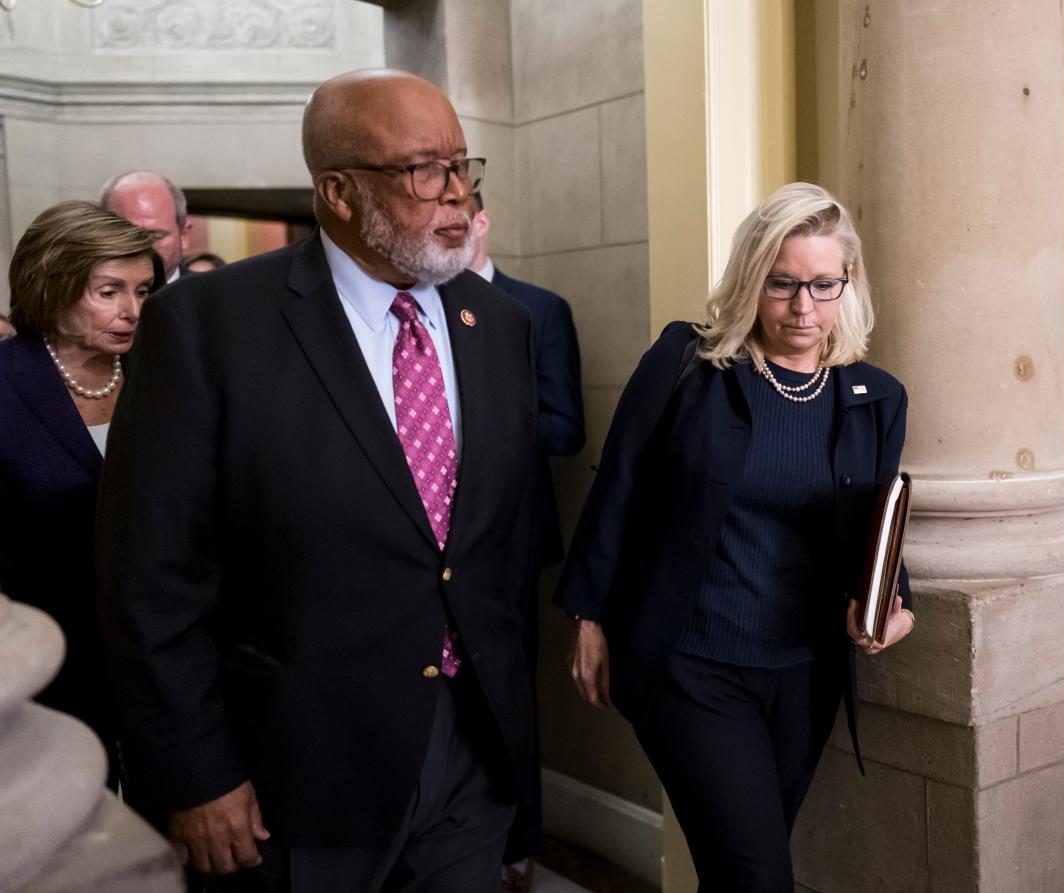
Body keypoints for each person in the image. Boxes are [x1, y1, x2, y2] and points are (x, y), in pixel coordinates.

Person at [96, 69, 540, 892]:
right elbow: (151, 579)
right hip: (294, 779)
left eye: (460, 166)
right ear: (338, 191)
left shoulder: (500, 326)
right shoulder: (207, 327)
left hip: (469, 757)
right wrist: (195, 774)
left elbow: (498, 546)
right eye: (423, 171)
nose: (454, 195)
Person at [555, 182, 915, 891]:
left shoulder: (875, 398)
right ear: (753, 277)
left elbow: (878, 526)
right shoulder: (688, 364)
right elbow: (618, 483)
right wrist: (588, 615)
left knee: (739, 867)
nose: (802, 307)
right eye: (782, 284)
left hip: (805, 672)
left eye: (822, 284)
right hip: (692, 666)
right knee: (758, 879)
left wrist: (893, 605)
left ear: (848, 283)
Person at [0, 201, 162, 788]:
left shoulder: (164, 371)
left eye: (143, 291)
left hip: (161, 662)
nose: (133, 311)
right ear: (52, 283)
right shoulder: (5, 380)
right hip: (49, 671)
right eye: (109, 291)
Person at [464, 190, 585, 891]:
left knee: (508, 696)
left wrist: (473, 429)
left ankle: (515, 848)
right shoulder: (404, 310)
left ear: (484, 221)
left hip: (508, 541)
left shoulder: (540, 309)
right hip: (421, 543)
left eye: (462, 218)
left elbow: (567, 427)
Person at [100, 170, 193, 284]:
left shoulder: (213, 298)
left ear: (184, 235)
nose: (143, 248)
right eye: (128, 237)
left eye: (156, 237)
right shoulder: (80, 297)